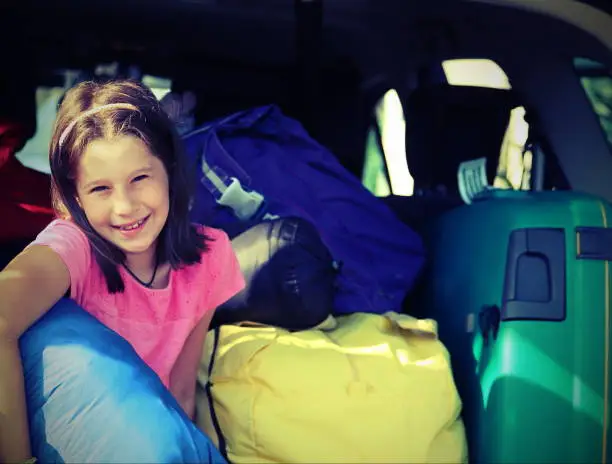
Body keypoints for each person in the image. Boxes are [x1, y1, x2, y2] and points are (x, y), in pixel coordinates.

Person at [0, 79, 246, 463]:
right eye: (100, 189)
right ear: (74, 197)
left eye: (140, 178)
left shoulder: (212, 256)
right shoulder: (74, 244)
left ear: (170, 170)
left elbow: (180, 389)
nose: (125, 207)